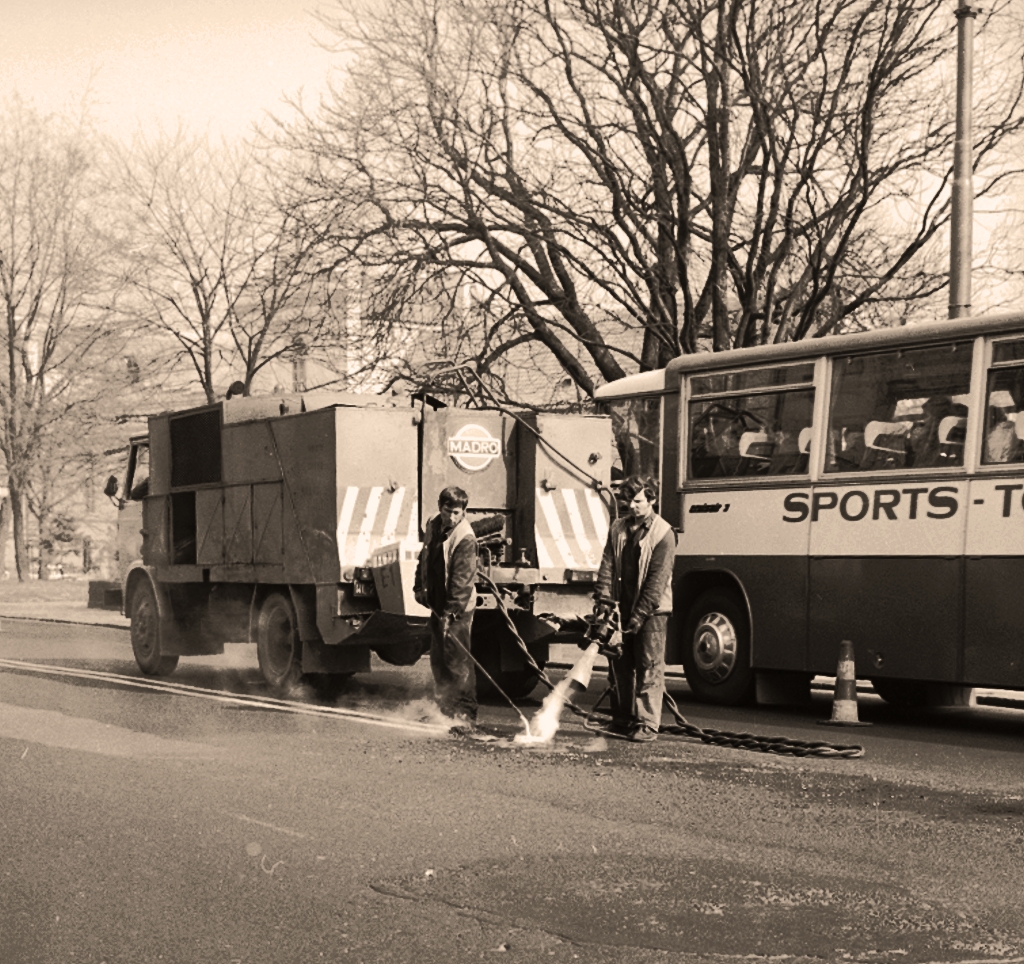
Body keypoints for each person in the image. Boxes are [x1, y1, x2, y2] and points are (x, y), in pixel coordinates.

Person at [593, 476, 676, 742]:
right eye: (628, 500)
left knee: (648, 666)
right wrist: (604, 601)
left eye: (638, 501)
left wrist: (638, 617)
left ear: (651, 500)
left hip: (652, 613)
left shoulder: (663, 534)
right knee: (619, 665)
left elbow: (656, 582)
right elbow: (607, 565)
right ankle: (622, 719)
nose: (632, 506)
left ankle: (648, 724)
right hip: (621, 607)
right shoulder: (617, 527)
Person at [414, 486, 479, 726]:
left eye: (456, 513)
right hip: (438, 605)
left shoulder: (465, 538)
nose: (451, 517)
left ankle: (465, 714)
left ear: (463, 512)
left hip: (457, 608)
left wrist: (452, 613)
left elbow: (462, 582)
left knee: (457, 660)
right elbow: (425, 557)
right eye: (447, 511)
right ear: (439, 507)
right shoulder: (433, 524)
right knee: (438, 659)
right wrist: (418, 588)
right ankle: (444, 710)